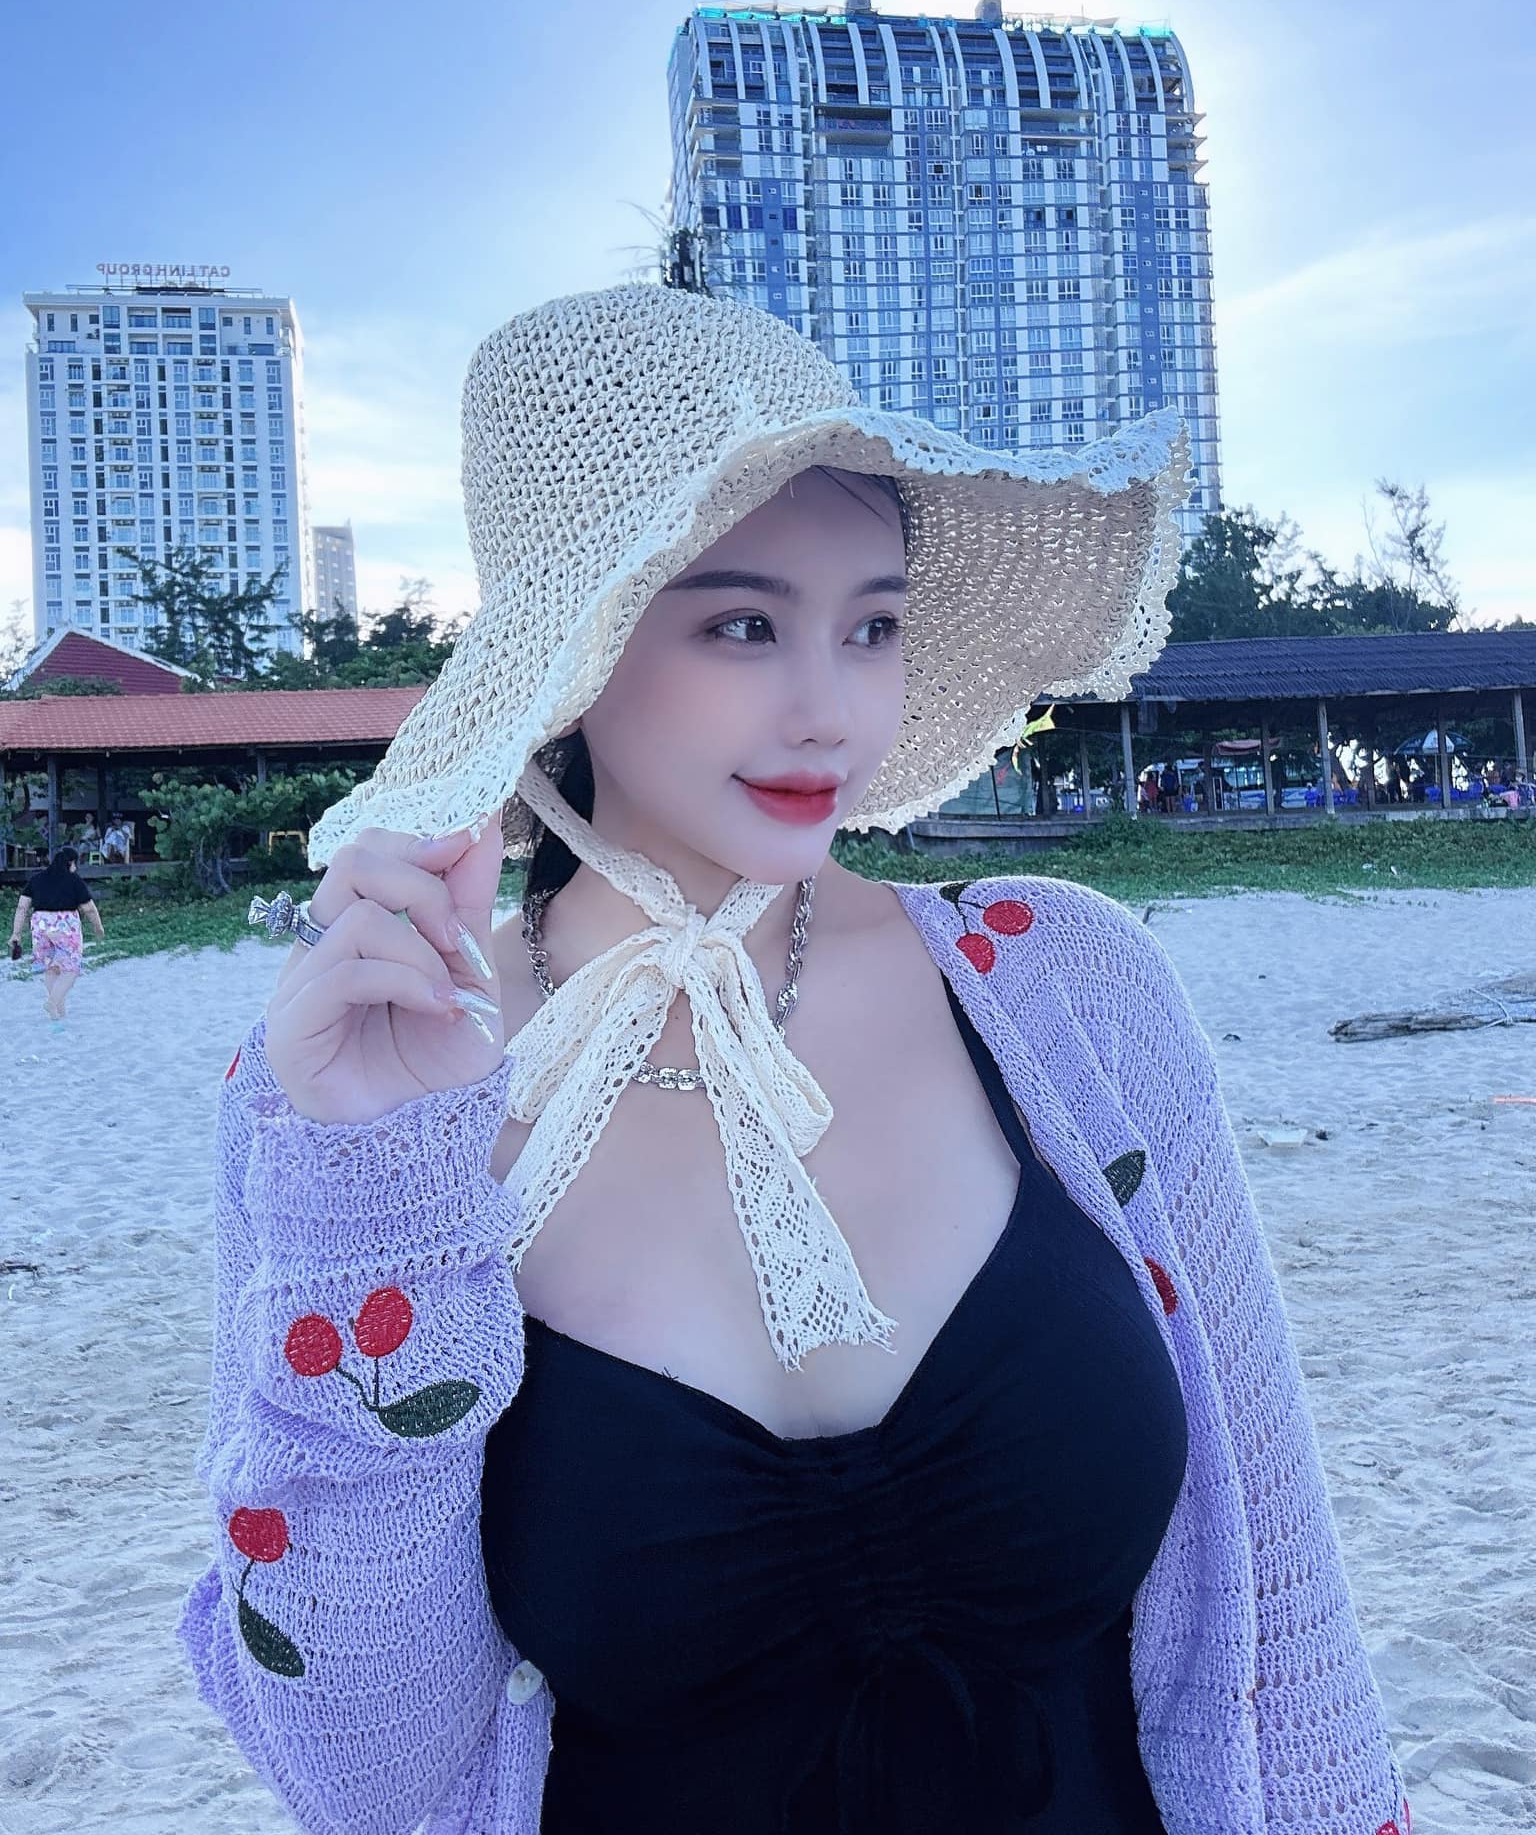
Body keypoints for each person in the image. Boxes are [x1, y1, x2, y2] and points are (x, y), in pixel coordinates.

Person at [177, 285, 1410, 1835]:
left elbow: (1284, 1603)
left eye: (873, 625)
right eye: (743, 623)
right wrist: (379, 1197)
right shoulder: (356, 1088)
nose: (832, 713)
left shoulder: (1066, 994)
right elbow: (363, 1769)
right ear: (576, 651)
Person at [9, 844, 105, 1025]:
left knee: (51, 967)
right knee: (71, 968)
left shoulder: (36, 879)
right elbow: (89, 909)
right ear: (71, 863)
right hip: (65, 925)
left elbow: (22, 907)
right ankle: (52, 1003)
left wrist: (16, 933)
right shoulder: (73, 880)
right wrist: (98, 927)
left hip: (40, 925)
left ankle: (58, 1011)